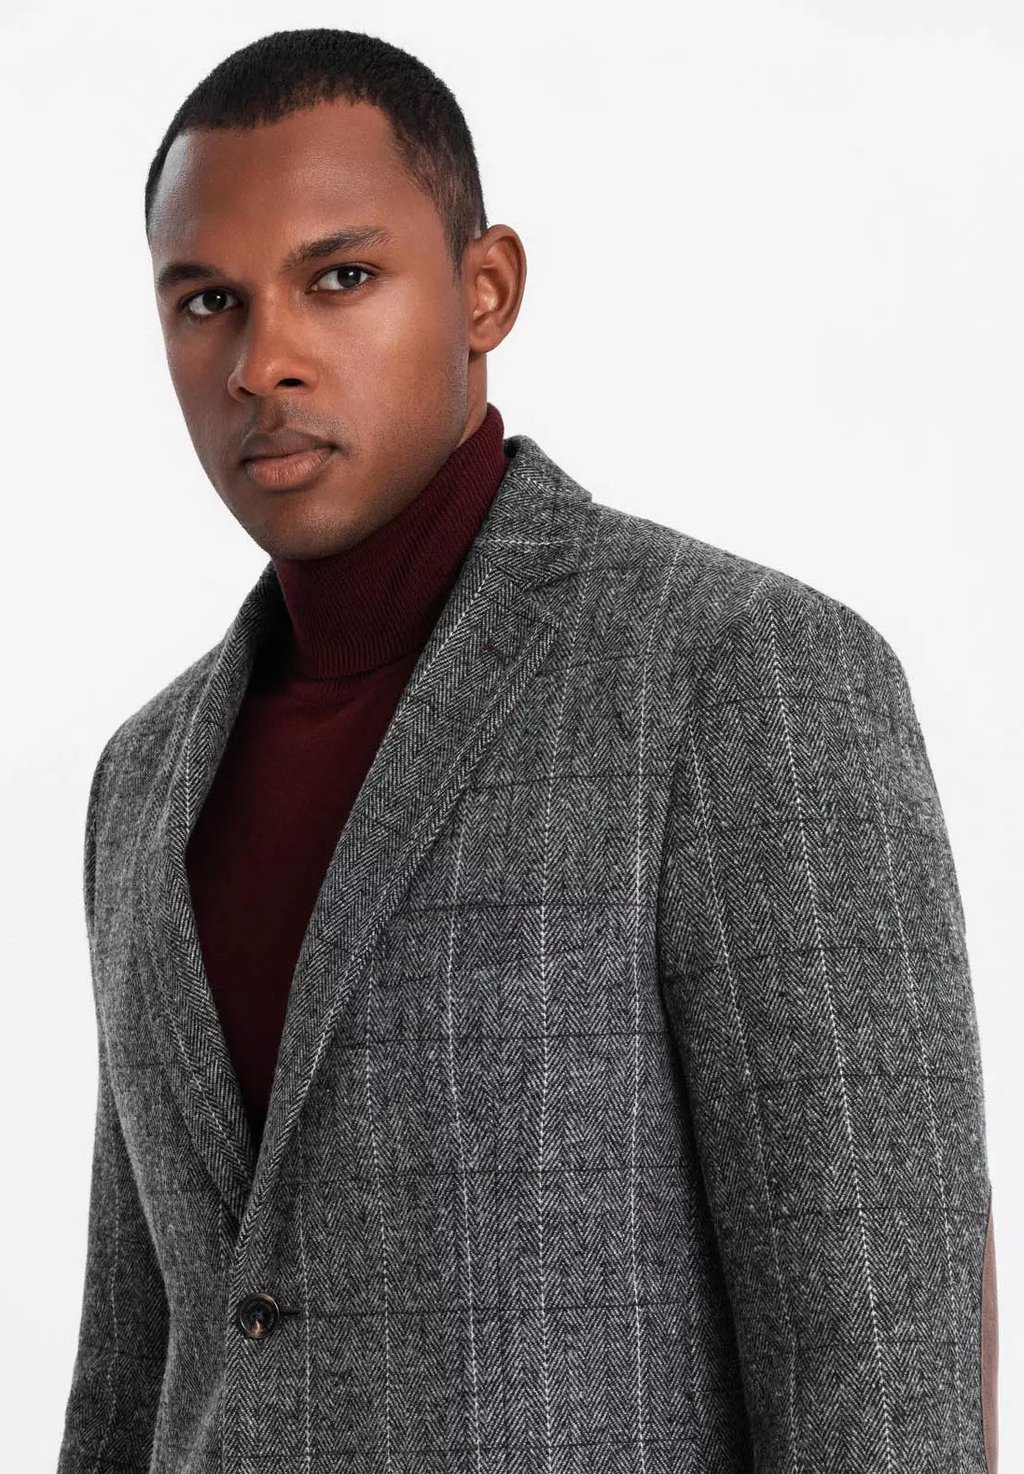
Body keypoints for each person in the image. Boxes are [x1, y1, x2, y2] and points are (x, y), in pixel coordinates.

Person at [57, 26, 997, 1474]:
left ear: (485, 289)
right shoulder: (143, 781)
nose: (263, 361)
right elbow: (134, 1373)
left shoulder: (736, 677)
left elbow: (882, 1373)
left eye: (339, 278)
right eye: (206, 301)